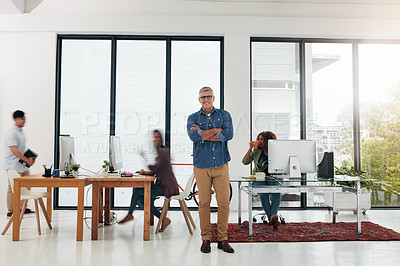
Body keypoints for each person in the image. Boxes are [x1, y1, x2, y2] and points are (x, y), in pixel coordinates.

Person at [187, 86, 234, 254]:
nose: (206, 99)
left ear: (213, 98)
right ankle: (205, 239)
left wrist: (203, 133)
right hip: (201, 166)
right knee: (204, 203)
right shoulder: (192, 117)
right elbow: (193, 137)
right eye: (202, 97)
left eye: (208, 96)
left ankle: (222, 239)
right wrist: (217, 131)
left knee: (224, 203)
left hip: (221, 165)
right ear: (199, 100)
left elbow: (228, 135)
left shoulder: (224, 115)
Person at [118, 130, 179, 233]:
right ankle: (163, 219)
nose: (155, 139)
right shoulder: (161, 152)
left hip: (166, 187)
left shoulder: (164, 153)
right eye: (154, 137)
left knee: (137, 191)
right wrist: (145, 160)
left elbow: (154, 171)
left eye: (157, 137)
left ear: (161, 139)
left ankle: (130, 214)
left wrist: (145, 172)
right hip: (162, 185)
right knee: (140, 201)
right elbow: (156, 168)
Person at [242, 131, 282, 230]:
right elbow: (245, 162)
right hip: (259, 178)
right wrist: (250, 148)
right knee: (263, 193)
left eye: (261, 139)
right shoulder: (257, 151)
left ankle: (272, 218)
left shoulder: (277, 151)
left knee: (277, 192)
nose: (259, 141)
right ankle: (272, 218)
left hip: (273, 177)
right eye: (259, 139)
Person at [3, 110, 36, 218]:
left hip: (22, 164)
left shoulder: (21, 132)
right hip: (13, 165)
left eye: (24, 118)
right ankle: (11, 210)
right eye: (21, 118)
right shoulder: (11, 132)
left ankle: (22, 208)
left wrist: (30, 158)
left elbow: (22, 149)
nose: (24, 120)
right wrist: (27, 160)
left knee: (27, 185)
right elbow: (14, 150)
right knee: (12, 188)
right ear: (15, 119)